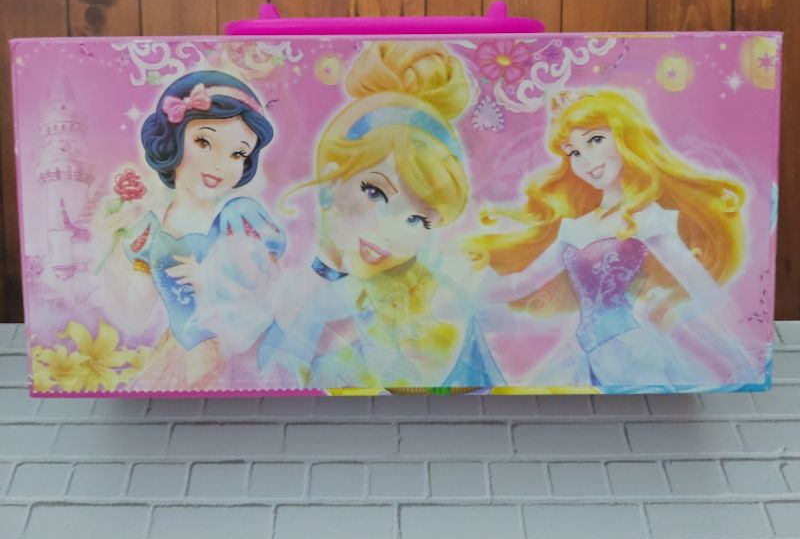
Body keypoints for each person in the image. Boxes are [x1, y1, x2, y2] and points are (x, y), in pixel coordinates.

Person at [464, 88, 759, 391]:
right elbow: (524, 282)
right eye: (574, 152)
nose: (585, 160)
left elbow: (701, 287)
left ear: (626, 137)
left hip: (631, 349)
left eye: (595, 140)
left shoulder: (646, 218)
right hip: (584, 352)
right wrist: (464, 295)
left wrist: (738, 357)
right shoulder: (573, 228)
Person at [267, 41, 504, 389]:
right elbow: (268, 377)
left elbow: (413, 390)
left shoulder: (436, 301)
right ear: (333, 177)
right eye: (375, 193)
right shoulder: (298, 284)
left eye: (417, 219)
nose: (390, 232)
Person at [102, 70, 285, 391]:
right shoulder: (149, 230)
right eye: (204, 142)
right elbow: (135, 315)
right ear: (172, 139)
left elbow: (271, 294)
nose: (219, 164)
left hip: (240, 351)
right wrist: (111, 245)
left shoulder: (239, 216)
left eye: (238, 153)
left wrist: (208, 282)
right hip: (181, 354)